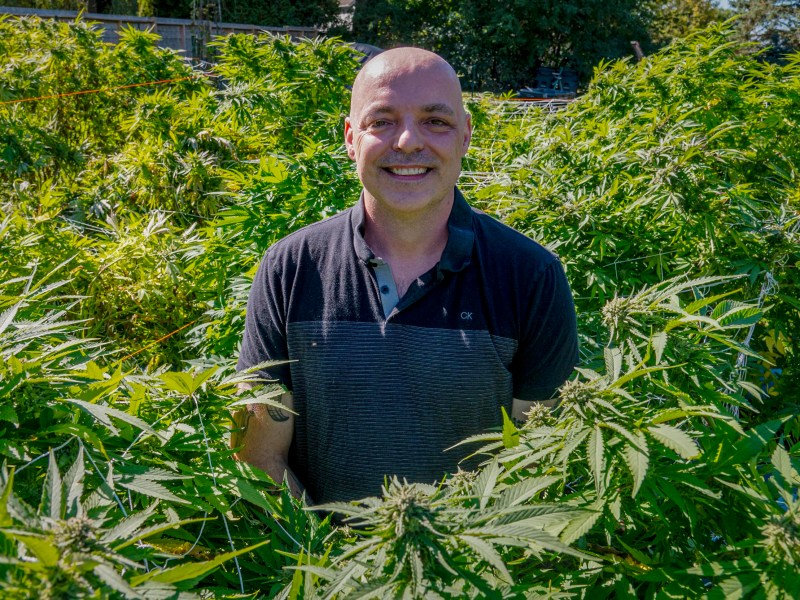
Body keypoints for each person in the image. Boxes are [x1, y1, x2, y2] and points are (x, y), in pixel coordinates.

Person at [233, 47, 578, 505]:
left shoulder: (531, 275)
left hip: (475, 567)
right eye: (383, 121)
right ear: (351, 138)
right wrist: (335, 563)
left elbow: (539, 463)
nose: (408, 141)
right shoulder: (289, 268)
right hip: (322, 570)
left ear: (466, 136)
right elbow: (257, 459)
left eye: (436, 121)